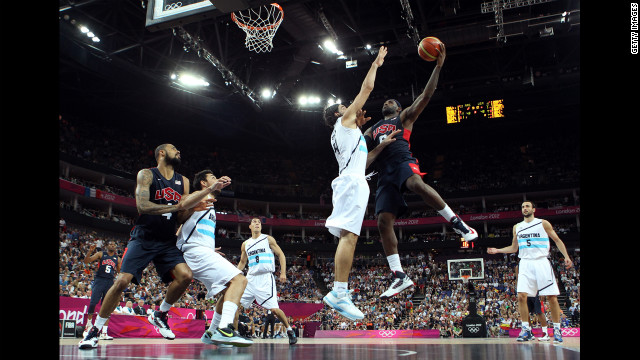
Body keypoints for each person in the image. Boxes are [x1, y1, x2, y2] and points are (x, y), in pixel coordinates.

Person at [363, 42, 477, 300]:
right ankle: (399, 276)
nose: (388, 101)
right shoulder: (372, 129)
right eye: (385, 101)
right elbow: (359, 152)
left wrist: (438, 66)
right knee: (382, 221)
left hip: (403, 161)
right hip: (384, 172)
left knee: (415, 184)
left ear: (399, 109)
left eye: (393, 101)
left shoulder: (403, 118)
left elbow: (426, 95)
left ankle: (458, 224)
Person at [79, 144, 221, 350]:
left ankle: (160, 313)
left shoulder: (185, 181)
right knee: (121, 281)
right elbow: (142, 206)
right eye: (174, 148)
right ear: (162, 153)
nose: (179, 151)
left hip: (167, 241)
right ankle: (95, 330)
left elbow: (180, 216)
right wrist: (179, 205)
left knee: (185, 276)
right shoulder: (147, 174)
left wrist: (191, 208)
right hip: (144, 237)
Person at [321, 45, 390, 321]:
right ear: (340, 114)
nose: (349, 107)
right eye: (344, 107)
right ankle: (339, 292)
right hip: (351, 184)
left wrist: (380, 145)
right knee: (349, 237)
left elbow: (364, 160)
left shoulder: (347, 132)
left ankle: (340, 291)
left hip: (353, 180)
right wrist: (375, 64)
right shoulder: (345, 121)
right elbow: (366, 89)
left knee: (350, 237)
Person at [176, 169, 252, 347]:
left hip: (202, 250)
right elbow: (179, 218)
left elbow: (189, 227)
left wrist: (209, 249)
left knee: (228, 290)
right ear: (203, 183)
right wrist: (189, 247)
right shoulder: (197, 196)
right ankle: (225, 329)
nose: (217, 180)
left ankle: (211, 333)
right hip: (195, 251)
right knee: (240, 280)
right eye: (212, 178)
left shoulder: (210, 203)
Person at [487, 200, 573, 344]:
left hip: (541, 261)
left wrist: (566, 257)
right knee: (521, 296)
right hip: (525, 263)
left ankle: (557, 330)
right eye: (522, 207)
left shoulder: (543, 223)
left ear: (533, 209)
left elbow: (557, 240)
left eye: (527, 206)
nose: (524, 208)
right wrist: (498, 250)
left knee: (551, 297)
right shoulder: (517, 227)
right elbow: (514, 248)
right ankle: (526, 329)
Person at [234, 218, 298, 345]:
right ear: (250, 227)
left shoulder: (268, 239)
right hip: (250, 278)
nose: (257, 223)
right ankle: (235, 333)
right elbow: (242, 262)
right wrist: (233, 274)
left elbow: (281, 255)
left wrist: (283, 272)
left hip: (265, 278)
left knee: (274, 310)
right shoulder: (245, 244)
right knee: (235, 305)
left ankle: (290, 331)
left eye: (259, 222)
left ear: (261, 227)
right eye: (254, 222)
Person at [81, 241, 121, 341]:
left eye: (114, 245)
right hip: (99, 280)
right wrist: (89, 252)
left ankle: (104, 332)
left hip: (110, 282)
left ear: (115, 248)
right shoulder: (101, 254)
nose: (112, 245)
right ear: (107, 246)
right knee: (93, 302)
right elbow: (86, 261)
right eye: (111, 244)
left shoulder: (118, 259)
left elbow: (120, 272)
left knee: (106, 307)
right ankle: (88, 326)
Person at [515, 264, 550, 341]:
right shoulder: (519, 266)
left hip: (536, 290)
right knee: (525, 312)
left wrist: (542, 291)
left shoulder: (536, 264)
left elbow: (542, 278)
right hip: (526, 291)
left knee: (539, 312)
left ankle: (545, 333)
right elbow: (518, 279)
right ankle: (529, 332)